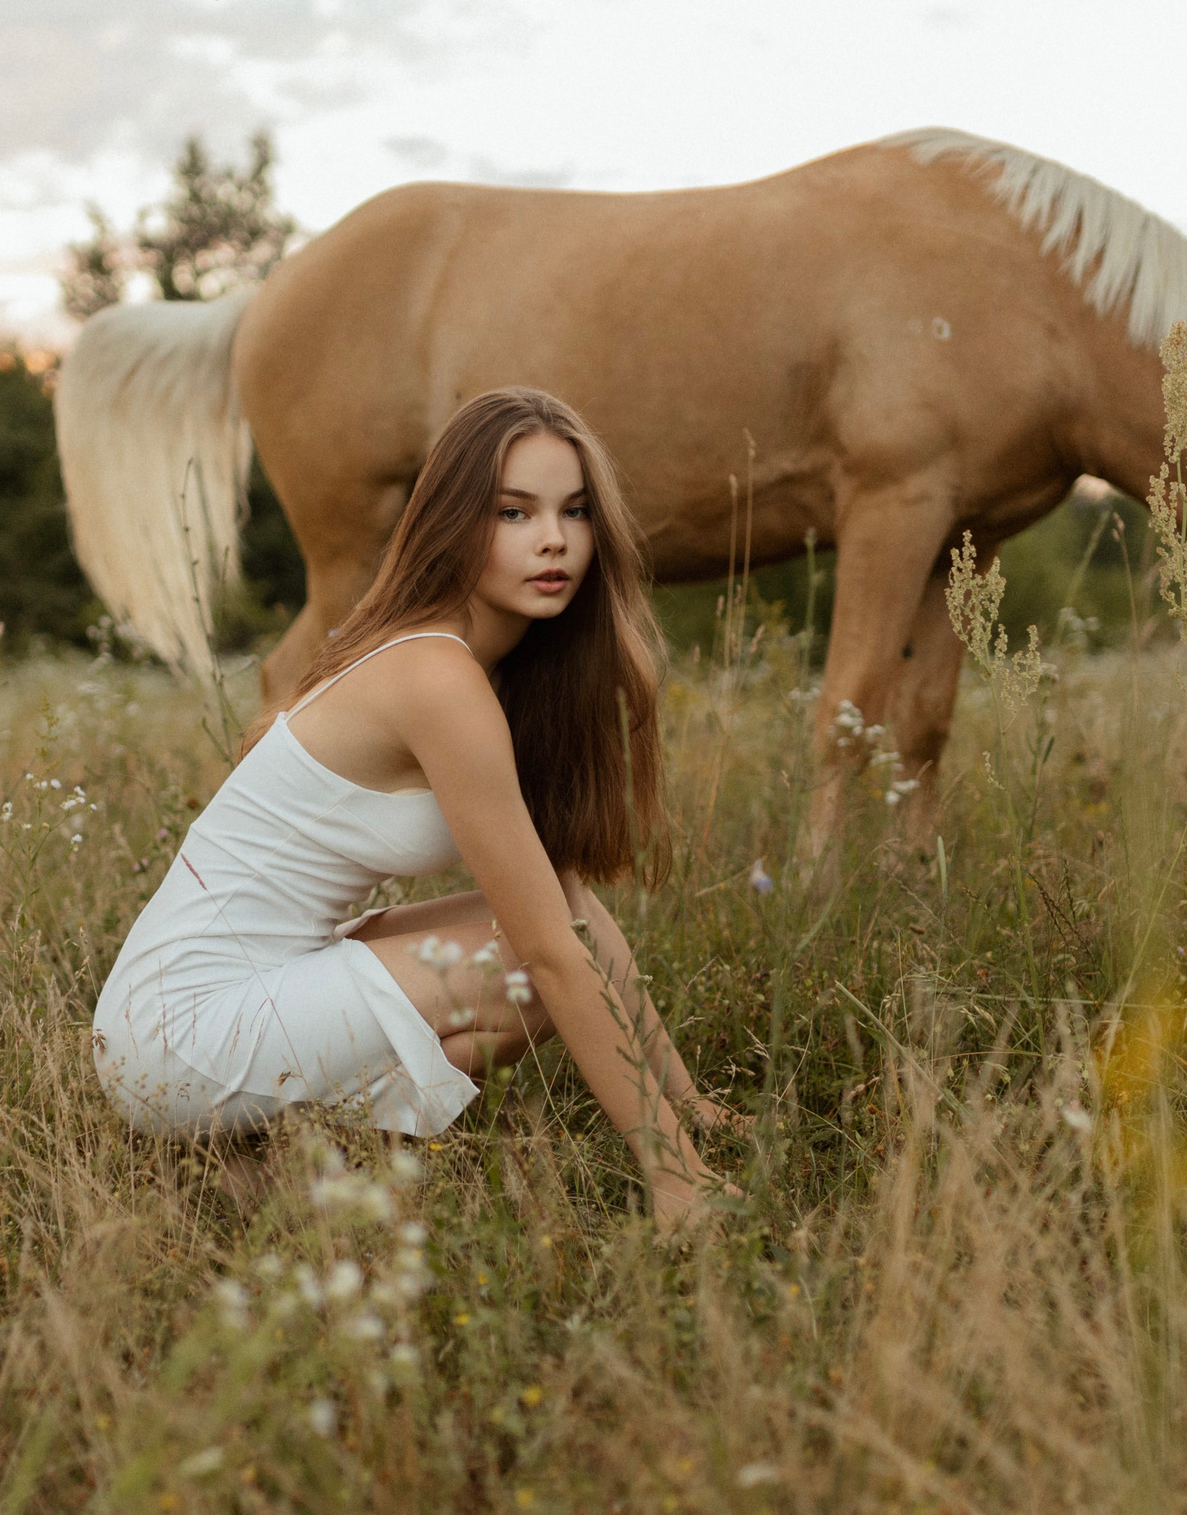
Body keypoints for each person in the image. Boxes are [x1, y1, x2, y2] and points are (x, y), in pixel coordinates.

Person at [92, 387, 736, 1230]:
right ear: (455, 522)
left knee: (555, 928)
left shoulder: (485, 669)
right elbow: (551, 954)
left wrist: (694, 1108)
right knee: (529, 967)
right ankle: (297, 1155)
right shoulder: (437, 677)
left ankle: (280, 1162)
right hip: (177, 1029)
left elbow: (573, 909)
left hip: (258, 986)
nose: (553, 538)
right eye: (513, 511)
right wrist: (676, 1177)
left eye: (575, 510)